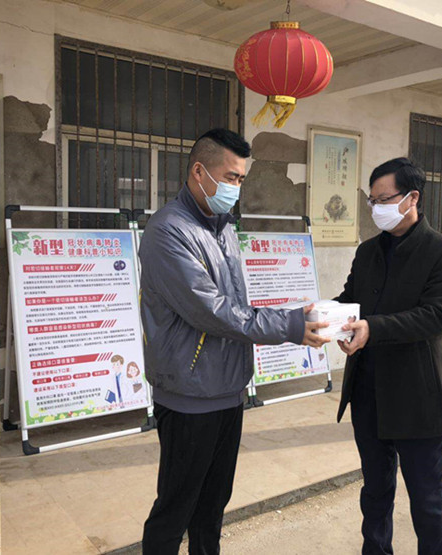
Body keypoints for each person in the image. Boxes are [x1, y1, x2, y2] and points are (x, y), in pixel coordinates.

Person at [139, 128, 329, 555]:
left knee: (212, 505)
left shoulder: (222, 228)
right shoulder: (168, 231)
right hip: (189, 395)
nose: (236, 188)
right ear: (199, 172)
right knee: (176, 508)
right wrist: (289, 326)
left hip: (227, 389)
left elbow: (235, 305)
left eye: (241, 179)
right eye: (230, 177)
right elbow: (212, 311)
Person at [335, 157, 442, 555]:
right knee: (375, 492)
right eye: (372, 200)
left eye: (384, 199)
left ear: (412, 198)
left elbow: (435, 316)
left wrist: (372, 329)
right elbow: (351, 300)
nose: (376, 208)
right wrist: (325, 318)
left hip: (418, 398)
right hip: (368, 393)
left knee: (427, 500)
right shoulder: (367, 252)